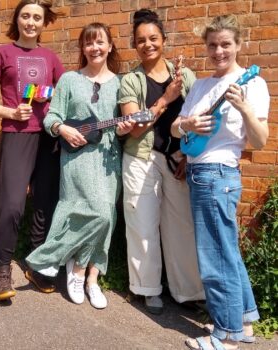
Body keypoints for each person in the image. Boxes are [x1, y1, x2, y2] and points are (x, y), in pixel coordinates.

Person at [171, 15, 269, 350]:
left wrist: (243, 107)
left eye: (225, 43)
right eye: (212, 45)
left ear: (239, 44)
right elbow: (174, 128)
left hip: (218, 175)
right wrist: (187, 125)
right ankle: (242, 321)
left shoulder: (251, 84)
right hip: (199, 171)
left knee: (214, 255)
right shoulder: (199, 85)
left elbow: (260, 141)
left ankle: (225, 334)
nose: (218, 51)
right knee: (226, 251)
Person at [26, 22, 125, 309]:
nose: (95, 48)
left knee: (106, 215)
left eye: (100, 42)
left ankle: (88, 275)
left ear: (109, 46)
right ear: (83, 48)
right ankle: (78, 272)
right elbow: (51, 116)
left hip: (108, 158)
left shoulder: (120, 83)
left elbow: (122, 127)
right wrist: (62, 129)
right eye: (89, 43)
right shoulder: (69, 80)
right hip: (76, 158)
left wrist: (124, 128)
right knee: (85, 211)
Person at [118, 9, 204, 314]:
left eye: (153, 38)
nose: (147, 44)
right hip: (141, 158)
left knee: (181, 226)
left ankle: (188, 291)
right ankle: (147, 288)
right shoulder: (131, 80)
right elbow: (137, 125)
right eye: (140, 40)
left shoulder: (186, 75)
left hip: (178, 159)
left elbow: (200, 117)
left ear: (163, 40)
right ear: (135, 44)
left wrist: (189, 155)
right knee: (142, 224)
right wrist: (166, 98)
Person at [0, 0, 65, 301]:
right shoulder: (1, 53)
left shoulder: (51, 57)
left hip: (48, 136)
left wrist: (52, 96)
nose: (31, 22)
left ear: (44, 24)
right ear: (17, 20)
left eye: (37, 18)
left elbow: (62, 95)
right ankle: (2, 268)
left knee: (45, 203)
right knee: (12, 204)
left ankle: (37, 263)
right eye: (26, 16)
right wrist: (9, 112)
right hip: (17, 134)